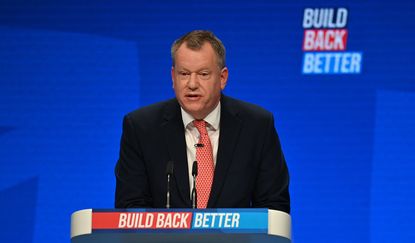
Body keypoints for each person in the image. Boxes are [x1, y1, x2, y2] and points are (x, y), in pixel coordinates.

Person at [115, 30, 290, 213]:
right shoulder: (141, 128)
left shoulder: (257, 126)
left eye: (203, 74)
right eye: (184, 74)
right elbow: (130, 208)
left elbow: (274, 207)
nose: (192, 84)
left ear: (222, 78)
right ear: (173, 77)